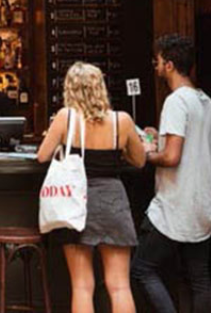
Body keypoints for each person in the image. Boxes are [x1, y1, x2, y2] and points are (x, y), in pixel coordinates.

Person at [38, 62, 146, 313]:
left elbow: (42, 156)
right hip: (113, 201)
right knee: (119, 286)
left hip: (77, 202)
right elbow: (139, 161)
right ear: (100, 88)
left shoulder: (66, 117)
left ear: (70, 89)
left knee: (82, 286)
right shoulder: (122, 121)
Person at [131, 34, 211, 313]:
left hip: (176, 203)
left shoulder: (176, 101)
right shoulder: (204, 100)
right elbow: (193, 146)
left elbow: (171, 157)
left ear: (169, 64)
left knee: (142, 269)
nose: (155, 66)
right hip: (202, 203)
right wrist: (158, 137)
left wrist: (144, 154)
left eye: (158, 60)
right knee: (199, 278)